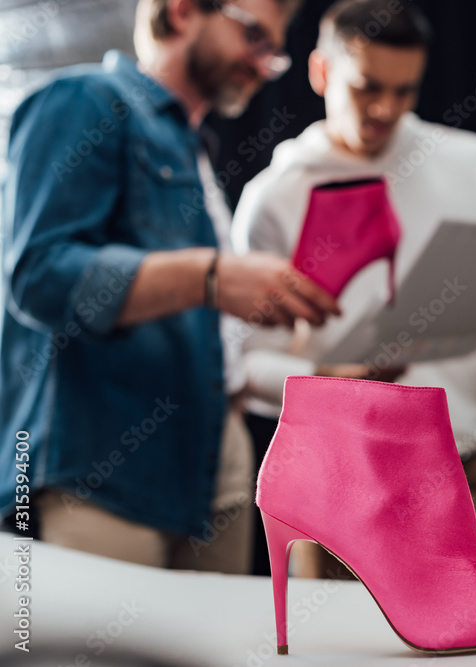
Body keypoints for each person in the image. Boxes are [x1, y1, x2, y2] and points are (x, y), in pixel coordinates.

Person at [231, 0, 476, 583]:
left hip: (460, 468)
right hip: (337, 477)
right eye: (367, 88)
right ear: (320, 73)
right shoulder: (275, 195)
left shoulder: (474, 164)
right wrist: (328, 381)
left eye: (404, 90)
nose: (386, 109)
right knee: (341, 651)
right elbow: (241, 362)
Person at [0, 0, 340, 573]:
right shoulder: (83, 100)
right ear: (182, 11)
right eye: (254, 37)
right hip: (105, 467)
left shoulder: (193, 147)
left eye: (273, 53)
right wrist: (211, 276)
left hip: (211, 465)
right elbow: (38, 276)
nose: (262, 64)